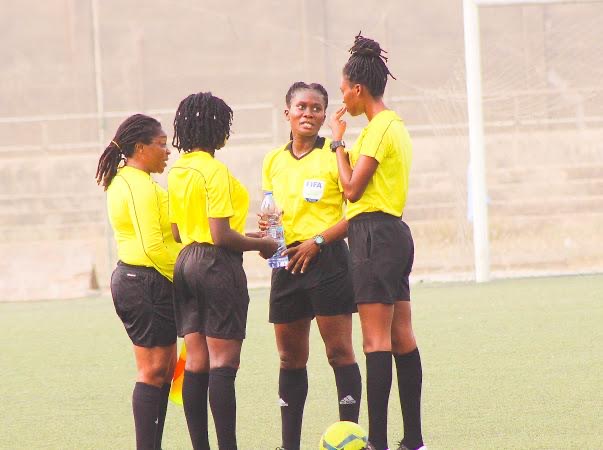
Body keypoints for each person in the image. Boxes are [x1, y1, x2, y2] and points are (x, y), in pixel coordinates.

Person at [328, 34, 426, 450]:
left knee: (375, 341)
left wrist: (337, 143)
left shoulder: (377, 130)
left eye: (343, 89)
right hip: (395, 234)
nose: (342, 98)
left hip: (372, 235)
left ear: (358, 90)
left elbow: (351, 190)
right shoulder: (396, 126)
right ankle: (414, 439)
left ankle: (379, 443)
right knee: (402, 335)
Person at [167, 92, 278, 450]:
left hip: (185, 262)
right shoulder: (214, 171)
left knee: (197, 360)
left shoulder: (177, 170)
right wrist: (262, 244)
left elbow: (177, 232)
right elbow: (220, 235)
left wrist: (244, 238)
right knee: (224, 362)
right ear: (217, 128)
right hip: (216, 266)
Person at [261, 82, 362, 450]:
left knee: (339, 353)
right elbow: (271, 212)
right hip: (287, 261)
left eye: (316, 108)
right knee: (290, 357)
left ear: (324, 114)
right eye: (301, 107)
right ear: (286, 111)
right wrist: (268, 235)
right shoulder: (273, 159)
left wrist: (317, 242)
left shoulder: (335, 154)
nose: (308, 113)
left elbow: (356, 214)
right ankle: (289, 445)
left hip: (328, 260)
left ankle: (352, 437)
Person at [95, 114, 181, 450]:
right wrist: (186, 274)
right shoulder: (135, 185)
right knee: (152, 370)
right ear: (140, 148)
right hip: (143, 280)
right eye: (161, 145)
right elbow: (150, 246)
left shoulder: (140, 181)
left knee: (165, 369)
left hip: (151, 279)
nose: (167, 151)